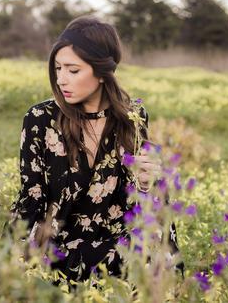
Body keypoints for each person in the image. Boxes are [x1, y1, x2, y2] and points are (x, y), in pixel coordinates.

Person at [10, 15, 183, 282]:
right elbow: (31, 198)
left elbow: (135, 204)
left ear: (102, 73)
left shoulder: (133, 116)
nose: (61, 80)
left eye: (73, 70)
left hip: (114, 243)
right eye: (58, 69)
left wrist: (146, 183)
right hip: (56, 246)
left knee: (150, 257)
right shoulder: (40, 119)